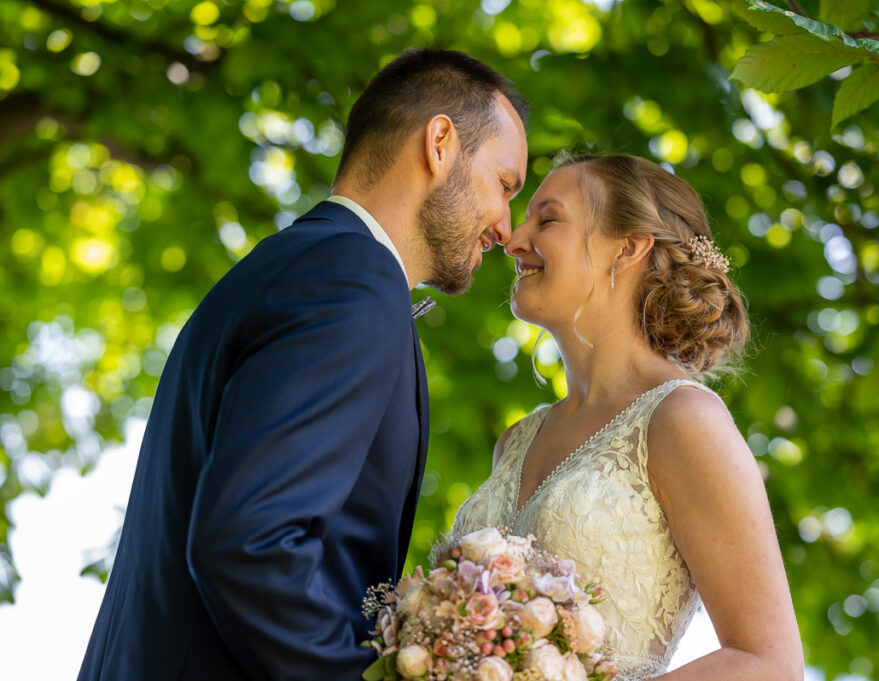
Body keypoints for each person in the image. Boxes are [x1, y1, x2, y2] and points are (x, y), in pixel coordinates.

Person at [78, 48, 528, 681]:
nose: (507, 227)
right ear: (440, 143)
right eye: (505, 185)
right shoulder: (353, 278)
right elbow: (247, 544)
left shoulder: (288, 266)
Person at [449, 154, 804, 680]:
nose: (513, 238)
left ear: (629, 246)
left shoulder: (682, 419)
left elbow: (769, 663)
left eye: (547, 219)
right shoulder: (515, 441)